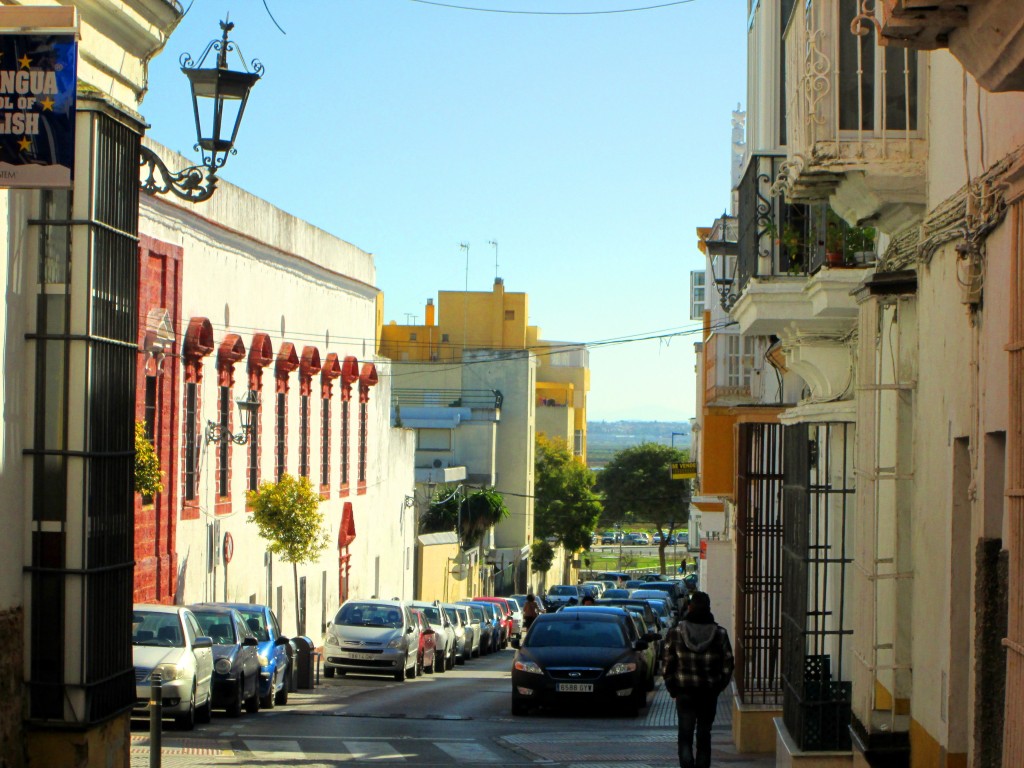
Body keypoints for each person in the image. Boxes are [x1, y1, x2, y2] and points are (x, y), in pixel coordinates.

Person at [662, 591, 734, 768]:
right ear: (708, 608)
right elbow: (728, 664)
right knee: (704, 734)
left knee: (685, 734)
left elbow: (667, 663)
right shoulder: (720, 634)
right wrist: (718, 686)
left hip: (684, 691)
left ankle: (687, 765)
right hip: (708, 693)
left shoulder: (676, 632)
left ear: (690, 607)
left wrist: (672, 686)